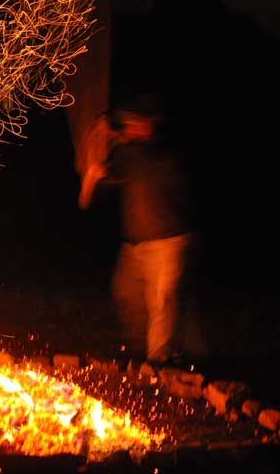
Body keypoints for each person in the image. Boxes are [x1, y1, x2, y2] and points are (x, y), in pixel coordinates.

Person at [78, 93, 207, 365]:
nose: (132, 128)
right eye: (128, 123)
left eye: (136, 123)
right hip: (136, 243)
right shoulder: (129, 153)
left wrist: (112, 133)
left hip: (171, 239)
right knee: (126, 294)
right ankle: (145, 352)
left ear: (151, 124)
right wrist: (97, 153)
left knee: (163, 300)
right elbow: (100, 178)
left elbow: (148, 150)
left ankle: (160, 363)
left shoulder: (167, 148)